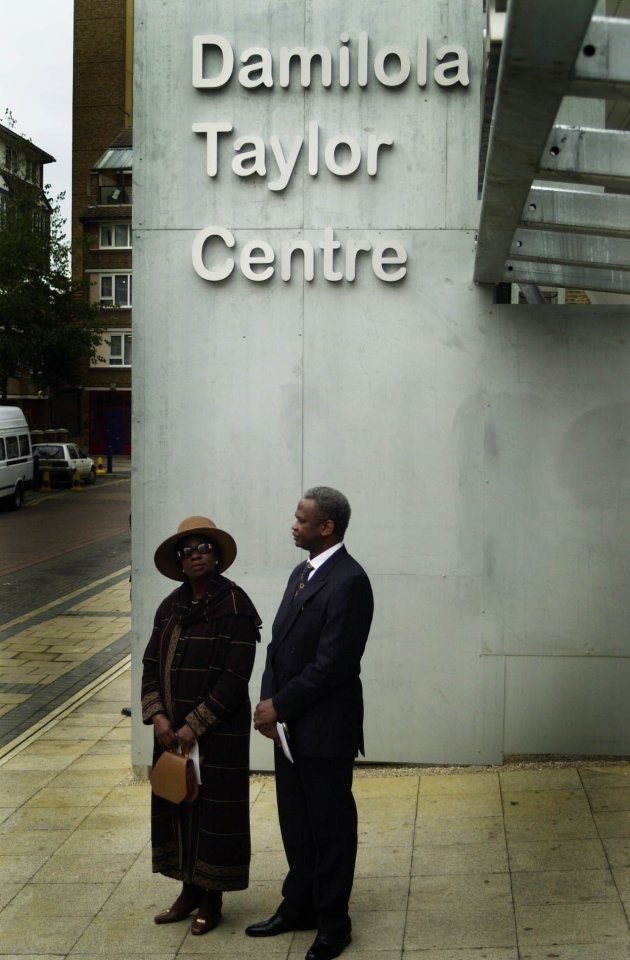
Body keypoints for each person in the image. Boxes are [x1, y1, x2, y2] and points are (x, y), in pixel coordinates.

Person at [246, 487, 374, 960]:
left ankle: (334, 923)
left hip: (325, 730)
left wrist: (279, 704)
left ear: (328, 527)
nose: (293, 525)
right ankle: (298, 905)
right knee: (295, 824)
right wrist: (267, 704)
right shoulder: (302, 572)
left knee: (331, 828)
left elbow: (333, 664)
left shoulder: (350, 581)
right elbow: (278, 647)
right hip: (287, 728)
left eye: (302, 520)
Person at [141, 515, 261, 936]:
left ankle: (213, 897)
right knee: (179, 805)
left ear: (217, 556)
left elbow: (235, 677)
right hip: (171, 735)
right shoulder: (170, 606)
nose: (195, 556)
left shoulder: (236, 606)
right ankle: (188, 890)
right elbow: (151, 663)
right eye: (187, 551)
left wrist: (194, 726)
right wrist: (158, 716)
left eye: (203, 548)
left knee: (215, 813)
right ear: (179, 560)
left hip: (218, 736)